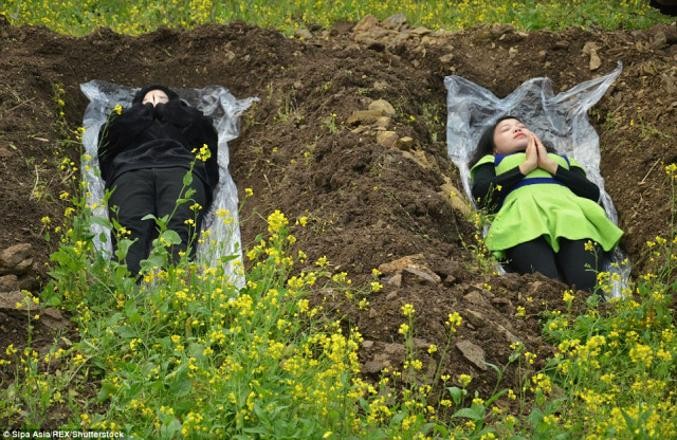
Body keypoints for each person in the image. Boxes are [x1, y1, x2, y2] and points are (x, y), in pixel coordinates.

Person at [469, 115, 623, 291]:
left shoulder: (563, 161)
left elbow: (591, 193)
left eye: (521, 126)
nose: (517, 129)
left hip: (573, 218)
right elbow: (482, 194)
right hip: (522, 221)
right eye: (506, 129)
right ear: (494, 148)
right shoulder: (492, 161)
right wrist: (526, 167)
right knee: (546, 286)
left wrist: (549, 165)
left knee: (586, 285)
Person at [97, 84, 219, 276]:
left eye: (162, 100)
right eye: (147, 100)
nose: (155, 103)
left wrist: (172, 111)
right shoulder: (125, 120)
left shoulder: (184, 119)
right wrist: (140, 113)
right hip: (132, 170)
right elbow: (106, 146)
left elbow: (207, 138)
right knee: (129, 235)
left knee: (178, 233)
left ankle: (178, 294)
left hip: (180, 168)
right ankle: (123, 296)